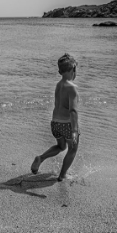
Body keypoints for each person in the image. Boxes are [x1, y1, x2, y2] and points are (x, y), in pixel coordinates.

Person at [31, 53, 80, 181]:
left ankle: (40, 158)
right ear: (73, 70)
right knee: (72, 149)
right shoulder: (72, 88)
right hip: (67, 124)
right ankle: (62, 175)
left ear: (60, 71)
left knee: (61, 146)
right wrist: (74, 131)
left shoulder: (59, 85)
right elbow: (73, 110)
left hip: (55, 123)